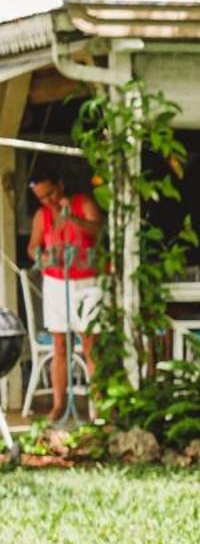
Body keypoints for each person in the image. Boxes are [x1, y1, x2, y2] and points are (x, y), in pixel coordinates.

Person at [27, 173, 103, 420]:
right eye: (41, 197)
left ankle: (99, 406)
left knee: (90, 345)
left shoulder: (83, 203)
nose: (48, 200)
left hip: (86, 281)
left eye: (50, 193)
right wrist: (45, 258)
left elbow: (98, 229)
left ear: (60, 184)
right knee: (60, 346)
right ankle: (58, 406)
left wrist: (72, 218)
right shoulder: (43, 215)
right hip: (56, 283)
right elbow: (32, 248)